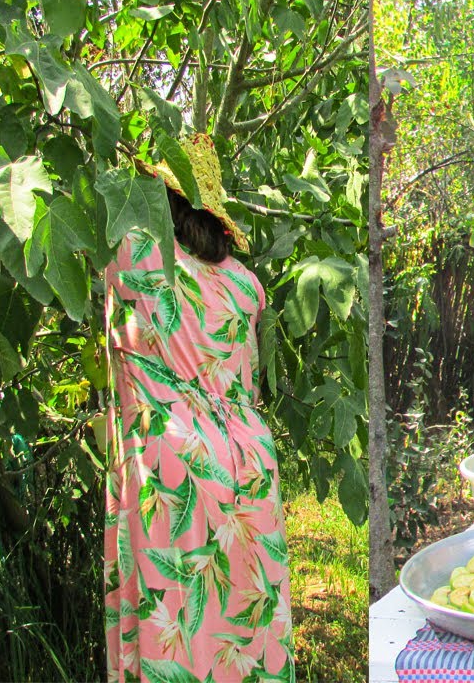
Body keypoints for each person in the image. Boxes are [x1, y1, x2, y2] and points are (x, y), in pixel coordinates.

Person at [103, 133, 294, 681]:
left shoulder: (133, 255)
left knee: (179, 633)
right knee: (246, 629)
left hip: (172, 462)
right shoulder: (246, 284)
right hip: (250, 463)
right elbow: (247, 388)